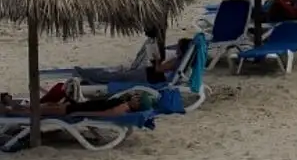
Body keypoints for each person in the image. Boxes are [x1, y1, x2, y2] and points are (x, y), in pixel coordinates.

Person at [73, 36, 191, 86]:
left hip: (147, 76)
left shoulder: (177, 61)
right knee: (119, 75)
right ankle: (91, 78)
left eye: (178, 46)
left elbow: (158, 69)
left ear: (182, 49)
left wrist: (156, 58)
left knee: (118, 76)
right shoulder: (181, 61)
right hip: (148, 75)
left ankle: (89, 76)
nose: (176, 48)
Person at [0, 88, 146, 118]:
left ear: (137, 105)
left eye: (137, 98)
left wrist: (79, 113)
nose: (134, 96)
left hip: (72, 110)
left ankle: (8, 109)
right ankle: (10, 103)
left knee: (36, 111)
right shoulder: (123, 102)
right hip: (74, 107)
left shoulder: (123, 107)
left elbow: (105, 113)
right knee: (37, 108)